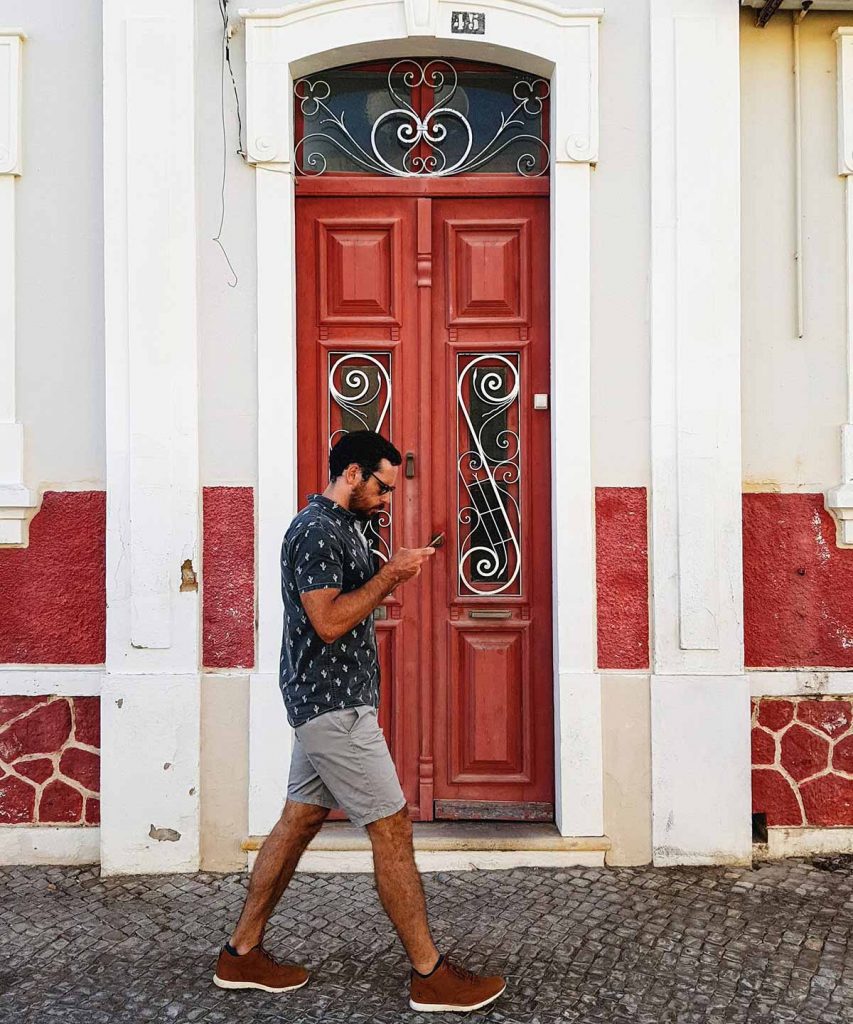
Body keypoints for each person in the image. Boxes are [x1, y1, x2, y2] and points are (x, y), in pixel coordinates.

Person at [214, 430, 507, 1013]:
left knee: (298, 822)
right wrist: (390, 577)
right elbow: (326, 622)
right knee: (392, 826)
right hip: (332, 708)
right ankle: (430, 974)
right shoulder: (315, 531)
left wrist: (392, 568)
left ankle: (241, 953)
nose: (387, 498)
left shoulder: (347, 526)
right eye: (381, 486)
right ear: (351, 473)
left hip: (332, 704)